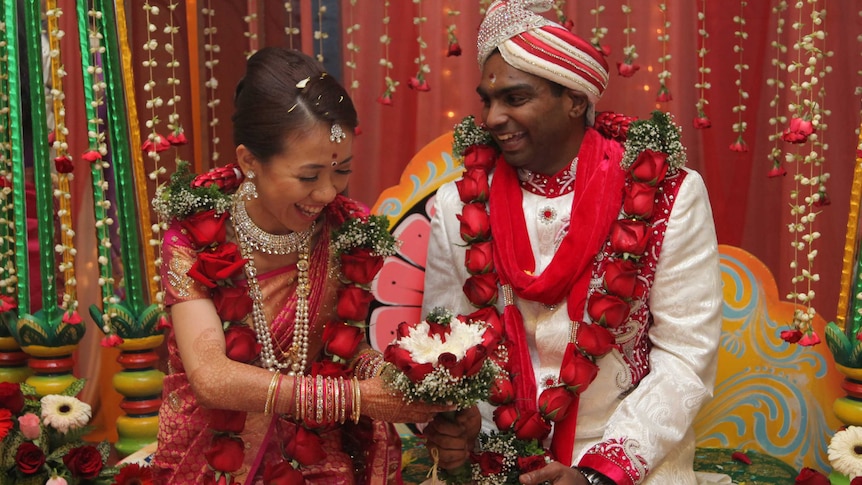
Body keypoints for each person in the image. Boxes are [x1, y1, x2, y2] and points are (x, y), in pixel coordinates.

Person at [421, 1, 722, 484]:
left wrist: (600, 474)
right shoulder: (458, 204)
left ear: (575, 100)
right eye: (488, 101)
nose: (494, 118)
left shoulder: (668, 195)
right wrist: (462, 422)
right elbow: (446, 340)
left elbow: (686, 356)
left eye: (515, 99)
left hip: (625, 458)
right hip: (496, 451)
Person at [153, 47, 449, 484]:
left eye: (341, 171)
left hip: (315, 449)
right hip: (213, 450)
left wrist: (392, 378)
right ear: (249, 161)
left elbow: (342, 347)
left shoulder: (347, 231)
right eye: (309, 177)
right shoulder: (194, 235)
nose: (328, 193)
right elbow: (211, 376)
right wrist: (358, 398)